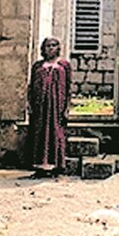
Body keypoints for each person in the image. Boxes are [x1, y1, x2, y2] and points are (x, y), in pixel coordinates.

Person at [27, 37, 72, 173]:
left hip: (57, 104)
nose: (51, 48)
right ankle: (39, 163)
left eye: (53, 45)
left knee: (56, 130)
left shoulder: (64, 65)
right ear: (43, 48)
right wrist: (29, 104)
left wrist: (67, 108)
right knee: (39, 131)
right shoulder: (37, 66)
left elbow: (69, 87)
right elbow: (31, 87)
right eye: (48, 46)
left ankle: (57, 164)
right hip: (40, 105)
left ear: (58, 48)